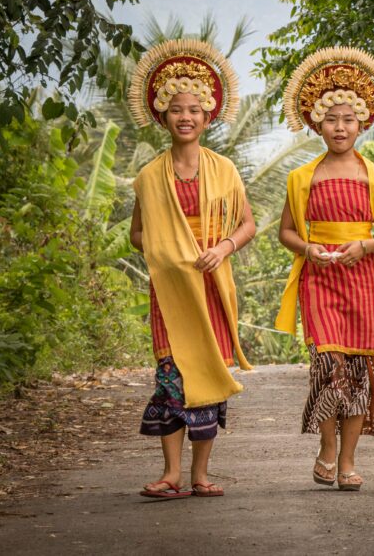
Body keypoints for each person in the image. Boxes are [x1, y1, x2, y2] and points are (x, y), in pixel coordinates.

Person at [275, 46, 374, 491]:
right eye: (331, 119)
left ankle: (349, 461)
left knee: (358, 374)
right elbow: (287, 233)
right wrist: (310, 250)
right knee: (328, 366)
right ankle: (327, 448)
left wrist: (365, 246)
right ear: (316, 122)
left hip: (364, 280)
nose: (340, 127)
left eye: (348, 119)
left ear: (363, 122)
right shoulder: (302, 178)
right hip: (320, 281)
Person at [127, 38, 256, 499]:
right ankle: (170, 473)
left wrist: (222, 248)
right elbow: (137, 235)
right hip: (171, 290)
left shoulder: (225, 171)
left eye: (194, 109)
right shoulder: (148, 177)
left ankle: (201, 474)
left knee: (207, 375)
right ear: (162, 116)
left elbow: (247, 225)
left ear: (208, 116)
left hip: (212, 286)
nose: (185, 116)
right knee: (171, 376)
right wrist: (170, 251)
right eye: (177, 109)